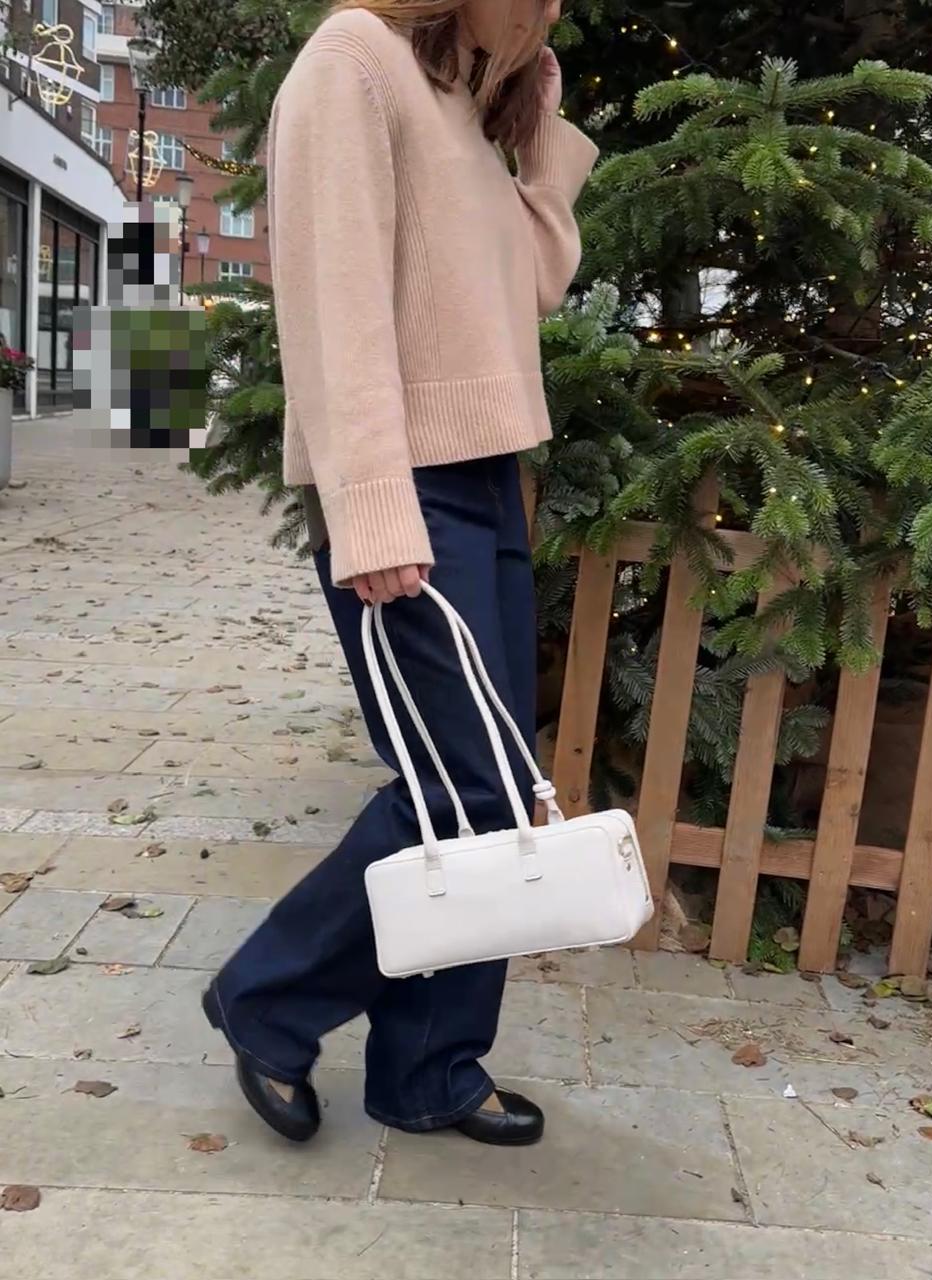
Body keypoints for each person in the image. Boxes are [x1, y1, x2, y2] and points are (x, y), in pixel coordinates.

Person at [201, 0, 598, 1147]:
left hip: (488, 472)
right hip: (407, 481)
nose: (551, 6)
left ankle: (431, 1064)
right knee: (460, 786)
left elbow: (532, 283)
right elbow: (333, 307)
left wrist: (536, 129)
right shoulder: (354, 62)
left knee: (496, 781)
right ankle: (268, 996)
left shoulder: (465, 103)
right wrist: (369, 506)